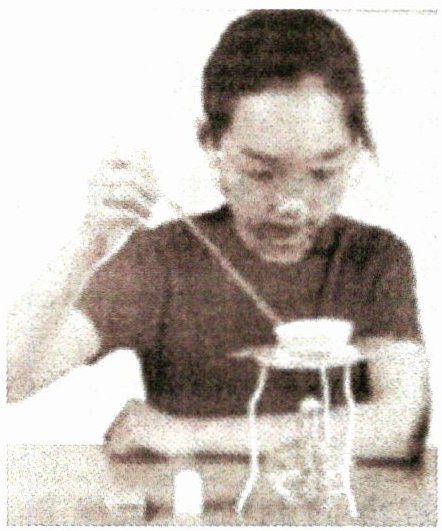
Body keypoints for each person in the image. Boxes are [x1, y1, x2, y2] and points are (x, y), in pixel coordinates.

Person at [7, 10, 429, 462]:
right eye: (261, 172)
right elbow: (10, 379)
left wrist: (188, 435)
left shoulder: (372, 259)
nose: (292, 203)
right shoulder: (163, 259)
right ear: (211, 143)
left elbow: (400, 426)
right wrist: (88, 242)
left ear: (357, 149)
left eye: (323, 172)